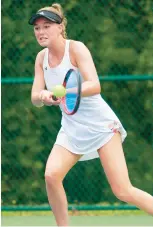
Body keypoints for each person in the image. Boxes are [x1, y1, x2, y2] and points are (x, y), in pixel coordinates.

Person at [29, 3, 153, 226]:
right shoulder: (41, 58)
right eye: (37, 28)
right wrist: (44, 96)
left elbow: (95, 85)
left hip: (100, 125)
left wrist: (65, 92)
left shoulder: (76, 49)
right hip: (71, 128)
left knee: (123, 190)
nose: (41, 32)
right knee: (51, 175)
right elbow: (35, 96)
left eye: (46, 26)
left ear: (60, 27)